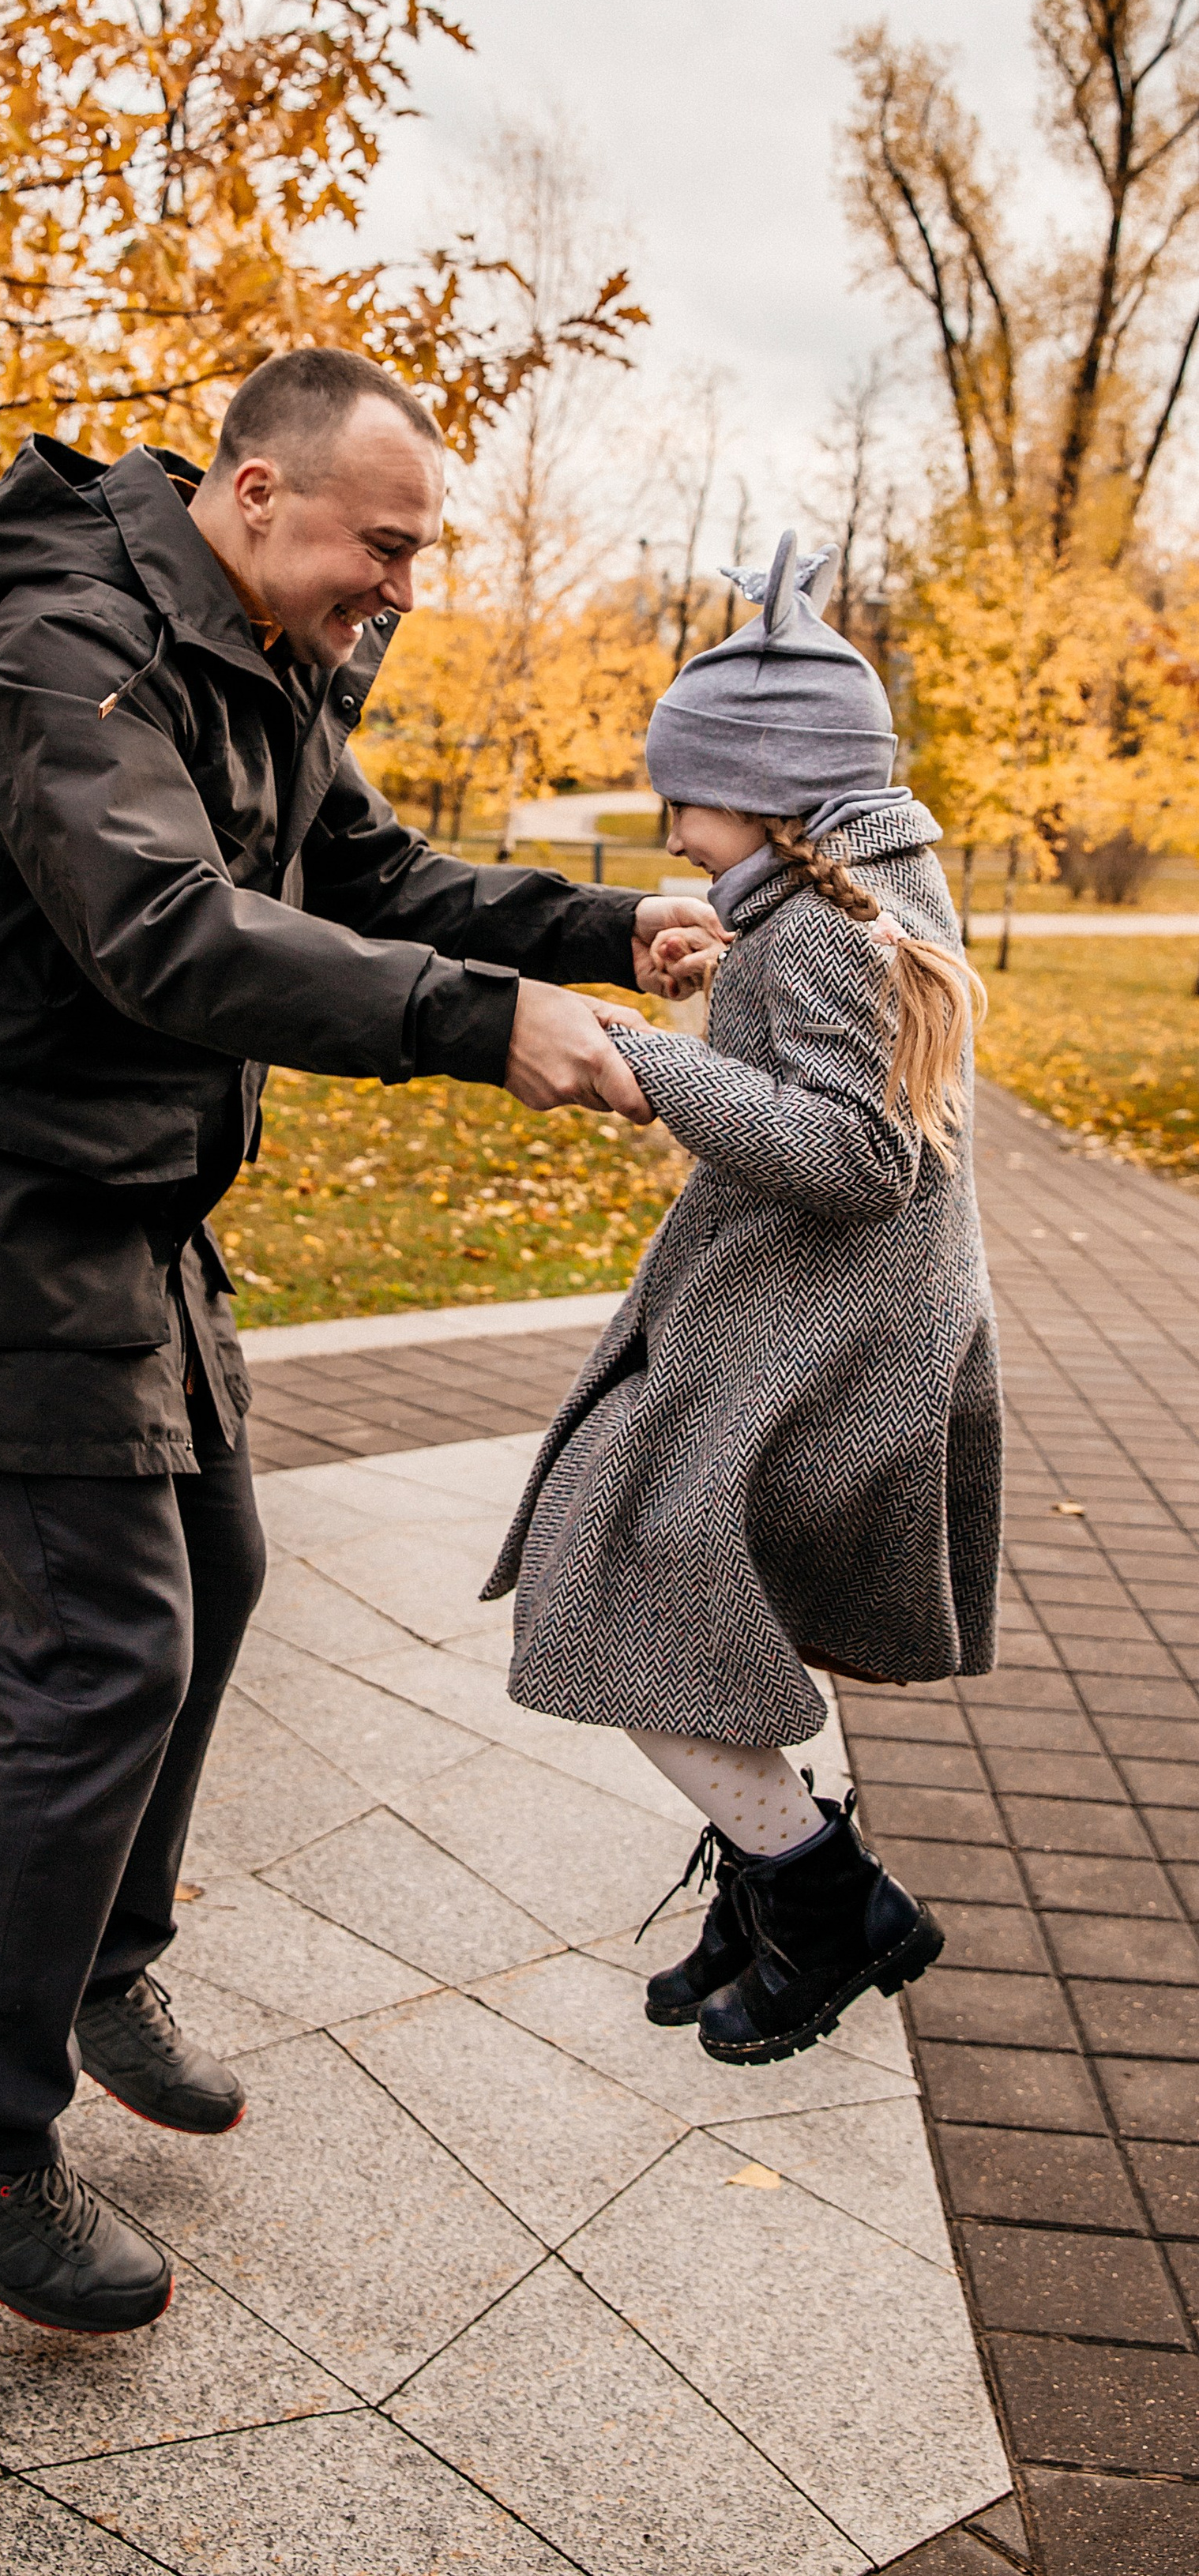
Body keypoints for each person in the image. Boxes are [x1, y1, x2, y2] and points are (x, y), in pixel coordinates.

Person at [0, 346, 726, 2333]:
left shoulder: (258, 663)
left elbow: (362, 872)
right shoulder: (61, 658)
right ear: (255, 493)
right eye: (384, 545)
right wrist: (477, 1022)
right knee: (101, 1650)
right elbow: (167, 930)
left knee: (217, 1572)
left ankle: (96, 1968)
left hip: (115, 1214)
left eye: (417, 554)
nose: (401, 585)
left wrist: (589, 929)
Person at [483, 532, 1001, 2066]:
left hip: (826, 1340)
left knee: (620, 1582)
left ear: (770, 790)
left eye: (682, 794)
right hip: (811, 1324)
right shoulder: (829, 895)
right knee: (693, 1591)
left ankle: (823, 1897)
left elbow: (855, 1155)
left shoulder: (837, 927)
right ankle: (774, 1895)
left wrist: (649, 1058)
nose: (668, 822)